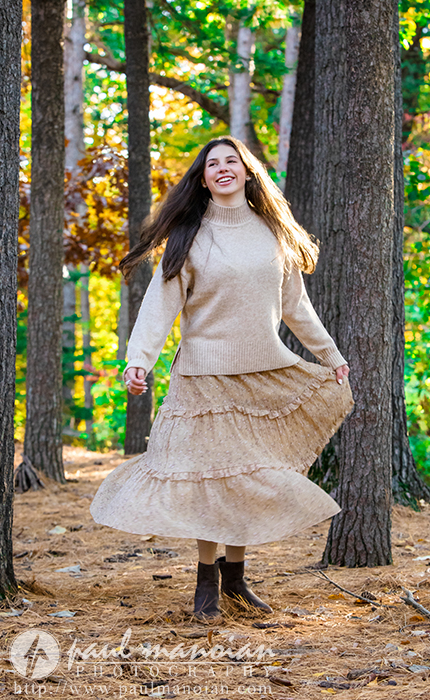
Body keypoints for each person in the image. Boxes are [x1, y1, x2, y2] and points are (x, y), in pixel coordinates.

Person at [90, 135, 354, 621]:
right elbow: (160, 303)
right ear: (203, 177)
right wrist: (138, 361)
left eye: (232, 161)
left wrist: (331, 355)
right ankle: (206, 581)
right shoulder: (189, 235)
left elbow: (297, 307)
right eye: (213, 164)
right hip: (202, 379)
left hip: (261, 377)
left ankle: (236, 578)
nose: (223, 168)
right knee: (206, 482)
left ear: (249, 172)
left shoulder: (274, 234)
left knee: (243, 479)